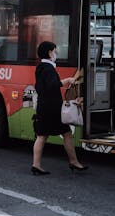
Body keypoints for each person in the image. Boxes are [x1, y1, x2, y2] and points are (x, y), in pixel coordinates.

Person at [32, 41, 88, 175]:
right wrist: (67, 80)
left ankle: (36, 164)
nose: (56, 53)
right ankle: (74, 162)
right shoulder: (49, 68)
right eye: (54, 51)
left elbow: (40, 87)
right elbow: (53, 85)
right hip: (53, 108)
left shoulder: (40, 67)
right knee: (67, 134)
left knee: (41, 136)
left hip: (43, 106)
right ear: (49, 53)